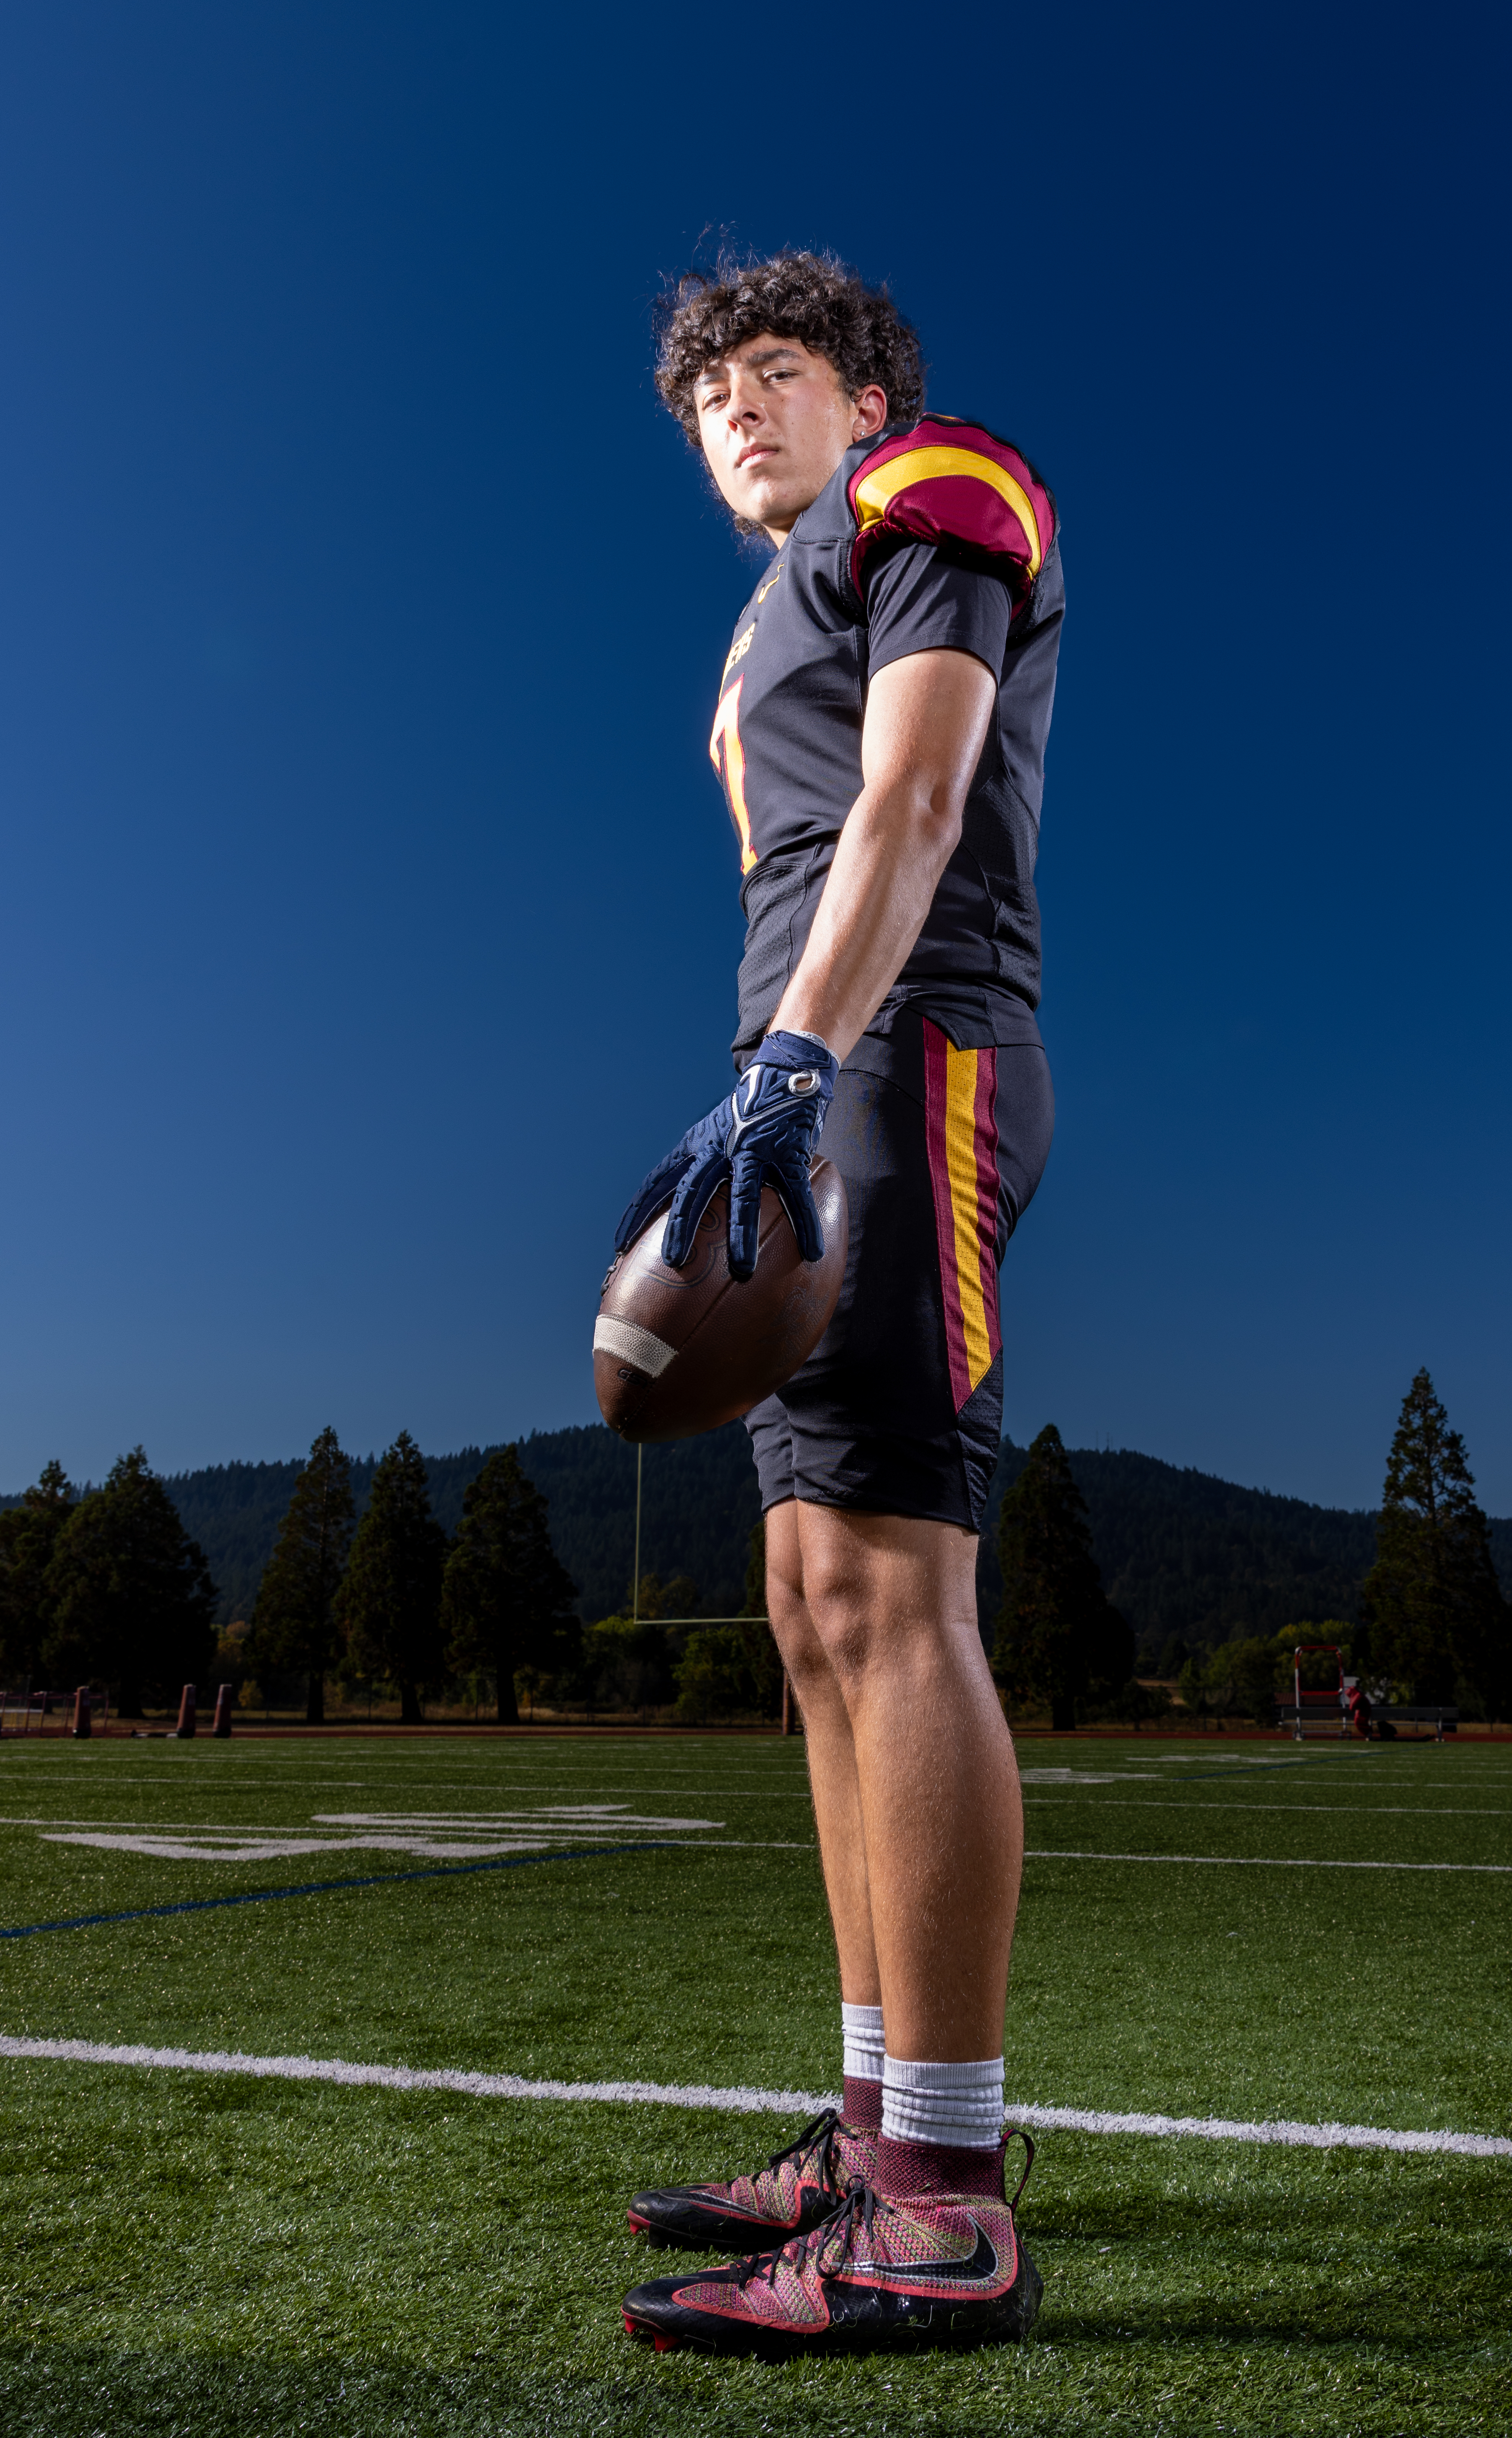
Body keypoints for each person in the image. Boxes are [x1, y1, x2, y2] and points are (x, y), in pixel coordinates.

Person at [613, 253, 1063, 2358]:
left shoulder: (934, 487)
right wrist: (761, 1087)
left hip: (903, 1058)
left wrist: (800, 1065)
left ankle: (943, 2202)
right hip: (797, 1084)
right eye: (706, 390)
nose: (735, 407)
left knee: (893, 1593)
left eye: (773, 370)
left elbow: (911, 798)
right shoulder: (739, 641)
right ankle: (878, 2115)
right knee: (807, 1608)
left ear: (868, 388)